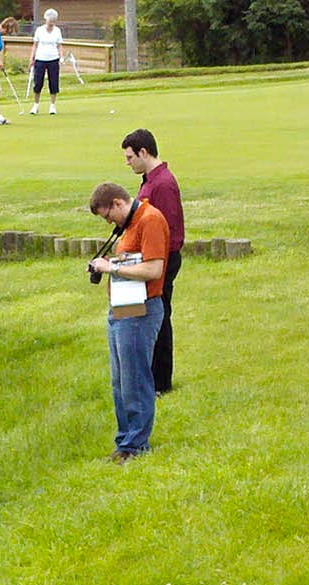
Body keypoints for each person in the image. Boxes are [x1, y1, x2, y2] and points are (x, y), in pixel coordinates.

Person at [87, 183, 169, 464]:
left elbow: (154, 269)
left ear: (118, 203)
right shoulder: (131, 222)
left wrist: (112, 268)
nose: (109, 222)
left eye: (108, 216)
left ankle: (136, 445)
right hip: (123, 309)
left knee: (135, 378)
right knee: (120, 381)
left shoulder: (150, 219)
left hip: (141, 310)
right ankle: (125, 441)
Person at [122, 129, 183, 394]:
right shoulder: (149, 180)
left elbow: (167, 230)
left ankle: (161, 381)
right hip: (150, 257)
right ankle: (143, 374)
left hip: (162, 259)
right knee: (143, 313)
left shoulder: (163, 184)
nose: (128, 163)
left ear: (143, 152)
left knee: (159, 316)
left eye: (130, 157)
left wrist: (151, 261)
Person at [29, 9, 63, 115]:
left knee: (53, 82)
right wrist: (32, 58)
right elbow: (35, 45)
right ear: (46, 19)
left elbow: (59, 45)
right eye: (50, 21)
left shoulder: (57, 31)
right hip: (40, 59)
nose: (51, 23)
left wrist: (61, 57)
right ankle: (36, 105)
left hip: (53, 59)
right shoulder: (39, 30)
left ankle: (52, 106)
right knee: (38, 82)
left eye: (53, 21)